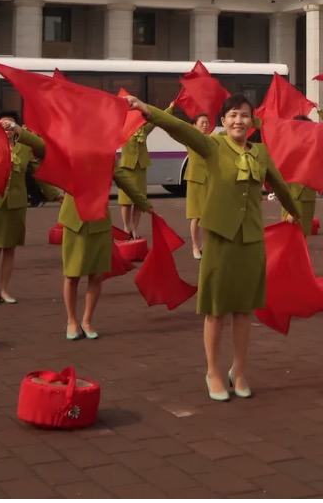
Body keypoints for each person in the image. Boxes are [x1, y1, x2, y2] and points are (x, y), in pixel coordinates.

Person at [128, 92, 302, 402]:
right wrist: (148, 110)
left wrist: (295, 213)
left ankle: (240, 369)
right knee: (216, 311)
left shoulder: (260, 152)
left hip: (251, 240)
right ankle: (213, 371)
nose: (239, 120)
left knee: (244, 311)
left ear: (252, 122)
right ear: (223, 121)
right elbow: (179, 129)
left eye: (244, 115)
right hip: (221, 238)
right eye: (233, 115)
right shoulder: (212, 145)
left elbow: (279, 184)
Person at [48, 145, 152, 341]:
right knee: (72, 274)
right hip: (75, 222)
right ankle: (72, 320)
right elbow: (41, 147)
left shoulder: (108, 157)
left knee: (96, 275)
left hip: (99, 223)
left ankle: (87, 320)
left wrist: (145, 204)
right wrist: (18, 129)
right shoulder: (69, 153)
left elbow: (125, 181)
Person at [0, 111, 49, 305]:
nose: (7, 129)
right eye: (4, 125)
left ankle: (4, 289)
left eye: (11, 125)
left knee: (10, 249)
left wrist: (56, 193)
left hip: (17, 204)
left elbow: (39, 169)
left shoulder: (25, 149)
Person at [117, 108, 162, 240]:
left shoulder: (144, 130)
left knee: (138, 202)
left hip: (140, 169)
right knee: (126, 202)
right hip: (127, 168)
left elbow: (156, 120)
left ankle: (135, 229)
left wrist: (170, 109)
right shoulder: (122, 130)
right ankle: (126, 227)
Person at [183, 113, 213, 260]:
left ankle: (205, 246)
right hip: (195, 180)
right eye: (202, 122)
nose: (205, 125)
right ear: (194, 124)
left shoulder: (211, 140)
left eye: (207, 122)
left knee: (208, 216)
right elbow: (178, 128)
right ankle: (195, 246)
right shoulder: (191, 138)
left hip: (209, 180)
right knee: (196, 216)